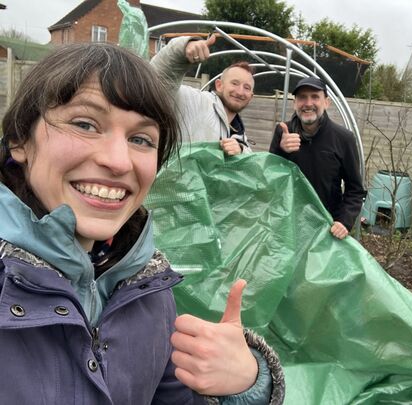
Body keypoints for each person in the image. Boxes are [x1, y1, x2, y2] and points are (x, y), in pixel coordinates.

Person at [0, 42, 284, 404]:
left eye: (140, 139)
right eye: (85, 124)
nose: (119, 162)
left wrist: (244, 387)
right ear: (19, 140)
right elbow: (163, 75)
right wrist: (183, 49)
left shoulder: (148, 290)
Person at [269, 77, 366, 240]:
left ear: (326, 102)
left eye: (315, 97)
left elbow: (355, 190)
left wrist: (344, 221)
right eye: (302, 97)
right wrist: (282, 151)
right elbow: (270, 178)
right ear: (295, 103)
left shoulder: (343, 138)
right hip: (287, 225)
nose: (308, 103)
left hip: (326, 229)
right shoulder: (283, 132)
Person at [151, 34, 255, 156]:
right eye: (234, 83)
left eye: (246, 88)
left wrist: (241, 150)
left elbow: (251, 159)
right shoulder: (194, 101)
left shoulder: (238, 131)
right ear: (219, 85)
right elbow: (158, 82)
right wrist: (182, 49)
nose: (240, 92)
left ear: (251, 96)